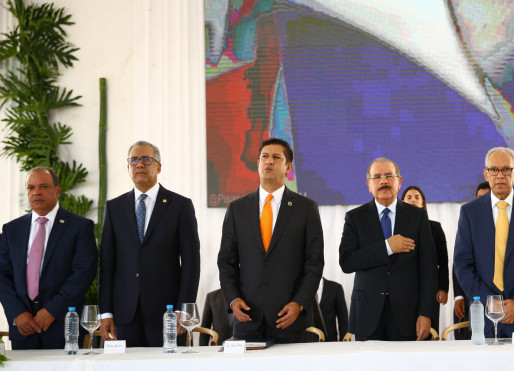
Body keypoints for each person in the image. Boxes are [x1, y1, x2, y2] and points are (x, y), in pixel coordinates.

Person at [218, 137, 324, 342]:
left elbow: (314, 263)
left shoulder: (306, 208)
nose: (269, 161)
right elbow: (226, 261)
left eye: (276, 157)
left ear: (288, 167)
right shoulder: (237, 209)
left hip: (289, 319)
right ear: (258, 163)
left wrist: (299, 303)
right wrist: (233, 299)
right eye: (264, 157)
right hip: (248, 317)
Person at [100, 141, 201, 347]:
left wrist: (183, 308)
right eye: (134, 160)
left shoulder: (180, 206)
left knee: (168, 366)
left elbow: (191, 262)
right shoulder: (114, 208)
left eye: (146, 160)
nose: (139, 165)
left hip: (168, 313)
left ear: (158, 167)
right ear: (128, 167)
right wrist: (106, 312)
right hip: (124, 312)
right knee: (127, 366)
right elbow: (107, 264)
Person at [454, 148, 514, 338]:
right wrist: (489, 302)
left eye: (506, 169)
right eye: (493, 170)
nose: (500, 175)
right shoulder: (469, 212)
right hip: (485, 317)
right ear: (486, 174)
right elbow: (462, 264)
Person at [339, 157, 437, 340]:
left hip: (408, 315)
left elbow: (428, 269)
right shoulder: (355, 218)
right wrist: (387, 247)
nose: (383, 181)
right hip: (367, 315)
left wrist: (425, 313)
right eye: (377, 177)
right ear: (369, 184)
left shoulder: (417, 217)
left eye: (389, 176)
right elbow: (347, 262)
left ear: (399, 181)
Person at [0, 167, 97, 349]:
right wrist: (17, 313)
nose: (36, 192)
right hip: (23, 329)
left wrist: (53, 310)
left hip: (63, 327)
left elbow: (83, 273)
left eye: (43, 186)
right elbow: (2, 276)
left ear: (57, 190)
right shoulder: (11, 230)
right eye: (31, 187)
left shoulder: (80, 227)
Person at [401, 185, 448, 330]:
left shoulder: (435, 227)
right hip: (403, 289)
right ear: (402, 202)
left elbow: (443, 261)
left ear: (422, 203)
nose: (413, 200)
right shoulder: (396, 228)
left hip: (429, 288)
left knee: (429, 331)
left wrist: (443, 288)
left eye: (417, 197)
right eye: (409, 197)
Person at [452, 181, 490, 338]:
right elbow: (459, 261)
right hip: (471, 295)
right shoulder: (468, 219)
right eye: (480, 198)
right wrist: (459, 296)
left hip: (498, 299)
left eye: (487, 197)